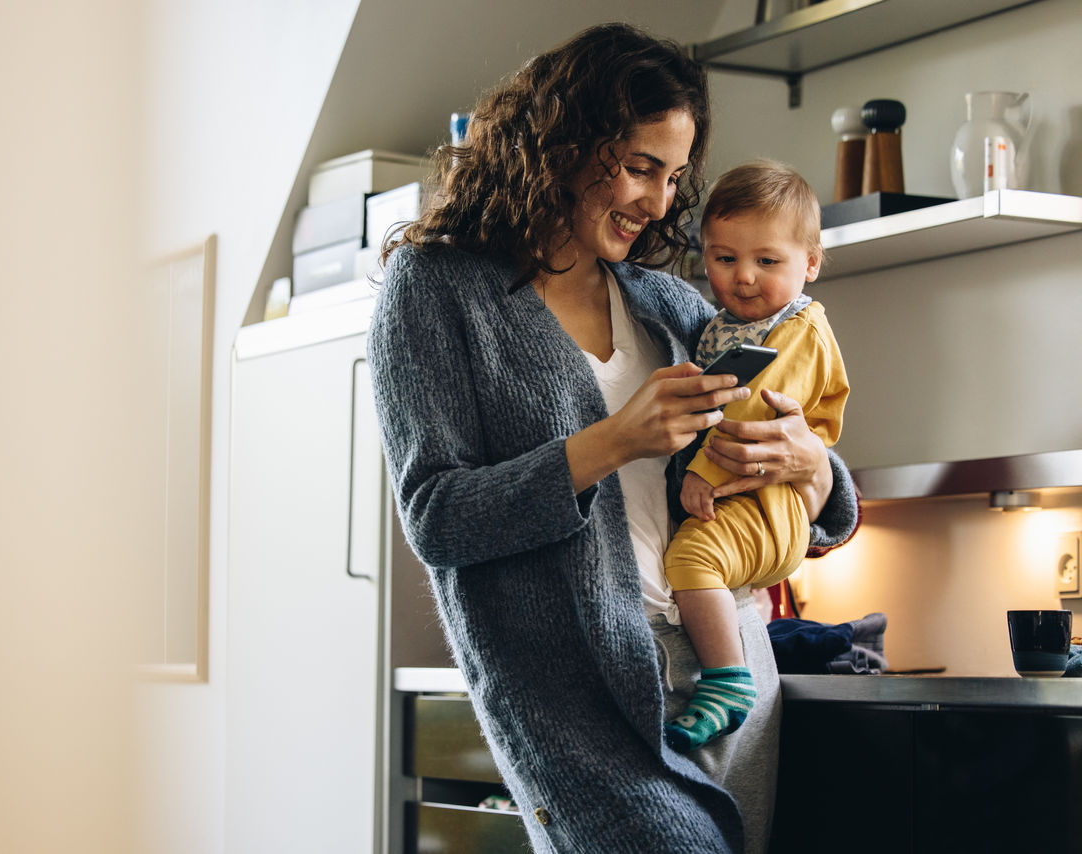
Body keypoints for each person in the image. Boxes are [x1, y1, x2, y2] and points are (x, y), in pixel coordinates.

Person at [367, 23, 859, 854]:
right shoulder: (437, 287)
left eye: (672, 177)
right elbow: (436, 516)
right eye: (637, 167)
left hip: (730, 659)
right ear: (558, 144)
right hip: (580, 696)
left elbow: (821, 503)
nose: (661, 202)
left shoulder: (667, 306)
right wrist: (615, 440)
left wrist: (812, 464)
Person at [662, 160, 850, 753]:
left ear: (810, 264)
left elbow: (752, 413)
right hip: (761, 499)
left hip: (762, 499)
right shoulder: (723, 324)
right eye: (723, 259)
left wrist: (702, 476)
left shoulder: (797, 330)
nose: (743, 278)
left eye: (767, 261)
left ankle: (726, 679)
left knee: (692, 562)